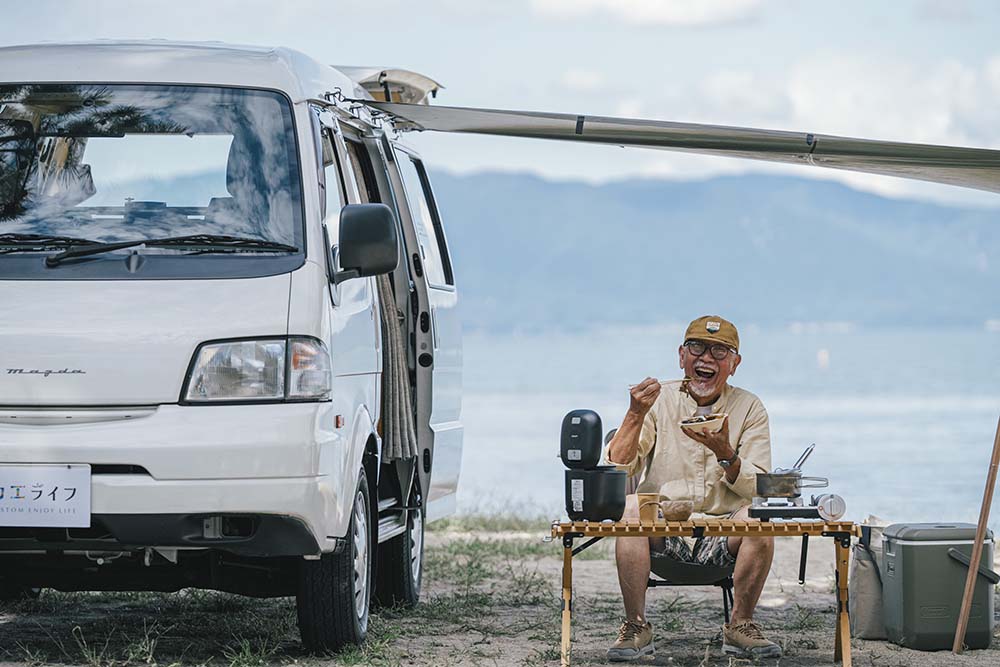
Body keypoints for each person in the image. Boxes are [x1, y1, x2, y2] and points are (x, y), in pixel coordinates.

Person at [604, 315, 779, 661]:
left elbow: (761, 485)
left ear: (734, 364)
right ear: (681, 357)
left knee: (759, 514)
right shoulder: (658, 402)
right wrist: (635, 413)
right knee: (630, 506)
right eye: (697, 348)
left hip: (724, 543)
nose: (706, 358)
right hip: (663, 541)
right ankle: (636, 625)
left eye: (719, 351)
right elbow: (618, 467)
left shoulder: (750, 408)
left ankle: (741, 624)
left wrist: (725, 454)